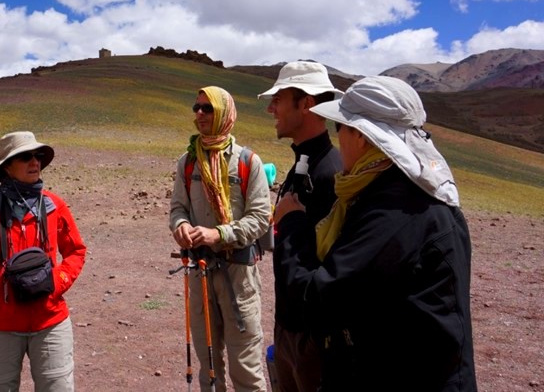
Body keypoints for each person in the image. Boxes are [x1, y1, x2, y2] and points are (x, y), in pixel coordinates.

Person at [274, 76, 477, 392]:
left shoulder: (397, 213)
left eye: (341, 126)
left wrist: (291, 225)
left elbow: (317, 302)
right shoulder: (401, 196)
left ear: (363, 136)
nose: (337, 136)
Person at [0, 131, 87, 392]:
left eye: (38, 156)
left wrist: (58, 283)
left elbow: (76, 251)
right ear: (6, 168)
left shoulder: (54, 206)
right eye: (25, 157)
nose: (34, 162)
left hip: (50, 321)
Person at [170, 86, 272, 392]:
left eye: (207, 108)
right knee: (209, 367)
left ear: (224, 114)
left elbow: (259, 218)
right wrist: (181, 226)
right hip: (199, 274)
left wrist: (220, 233)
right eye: (196, 107)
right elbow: (177, 208)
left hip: (239, 276)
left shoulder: (248, 162)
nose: (199, 114)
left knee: (246, 369)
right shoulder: (187, 162)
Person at [257, 61, 342, 392]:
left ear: (306, 103)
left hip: (313, 341)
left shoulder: (331, 174)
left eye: (278, 99)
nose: (270, 108)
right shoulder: (301, 167)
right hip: (289, 330)